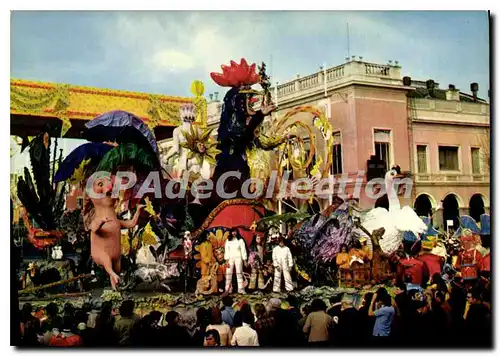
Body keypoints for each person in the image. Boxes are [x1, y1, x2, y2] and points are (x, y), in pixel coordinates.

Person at [224, 228, 248, 294]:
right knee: (228, 273)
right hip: (230, 258)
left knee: (239, 273)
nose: (234, 233)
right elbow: (227, 251)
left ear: (237, 232)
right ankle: (227, 289)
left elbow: (243, 251)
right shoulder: (228, 240)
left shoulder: (240, 240)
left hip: (239, 258)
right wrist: (226, 260)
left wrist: (245, 260)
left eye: (235, 232)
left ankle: (241, 289)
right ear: (231, 232)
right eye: (232, 232)